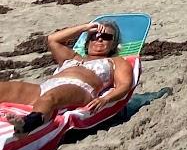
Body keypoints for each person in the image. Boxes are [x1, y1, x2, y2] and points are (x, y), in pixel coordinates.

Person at [0, 21, 136, 134]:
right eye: (94, 35)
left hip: (80, 88)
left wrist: (105, 99)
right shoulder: (72, 57)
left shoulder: (116, 61)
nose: (99, 39)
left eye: (106, 37)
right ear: (88, 42)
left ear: (113, 44)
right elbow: (52, 39)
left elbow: (125, 85)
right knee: (6, 88)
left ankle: (26, 125)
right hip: (46, 86)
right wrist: (85, 28)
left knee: (51, 97)